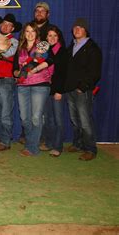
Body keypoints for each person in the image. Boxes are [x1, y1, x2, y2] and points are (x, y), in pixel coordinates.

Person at [64, 18, 102, 161]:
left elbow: (95, 72)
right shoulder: (71, 47)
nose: (77, 29)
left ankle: (90, 149)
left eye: (80, 27)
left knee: (85, 120)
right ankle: (78, 143)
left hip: (83, 90)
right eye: (75, 27)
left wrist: (84, 86)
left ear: (86, 30)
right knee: (75, 119)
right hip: (71, 89)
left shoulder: (92, 48)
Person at [13, 22, 53, 156]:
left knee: (36, 117)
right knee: (24, 118)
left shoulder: (42, 46)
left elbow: (50, 61)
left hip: (40, 84)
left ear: (37, 33)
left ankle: (32, 148)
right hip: (23, 85)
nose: (30, 34)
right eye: (27, 31)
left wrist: (33, 70)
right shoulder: (20, 48)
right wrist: (17, 73)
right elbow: (14, 68)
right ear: (24, 33)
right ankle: (30, 144)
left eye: (33, 31)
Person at [0, 14, 21, 151]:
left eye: (9, 25)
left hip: (6, 80)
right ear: (0, 26)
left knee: (5, 112)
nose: (5, 26)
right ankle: (0, 139)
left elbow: (7, 53)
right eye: (3, 24)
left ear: (12, 28)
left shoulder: (14, 41)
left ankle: (5, 141)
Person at [42, 25, 68, 157]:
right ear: (46, 37)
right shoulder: (48, 51)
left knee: (58, 120)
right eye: (49, 35)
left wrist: (60, 91)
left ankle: (58, 146)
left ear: (59, 37)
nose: (52, 38)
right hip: (48, 89)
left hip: (57, 90)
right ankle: (49, 142)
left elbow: (63, 74)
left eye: (54, 35)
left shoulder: (62, 51)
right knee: (48, 118)